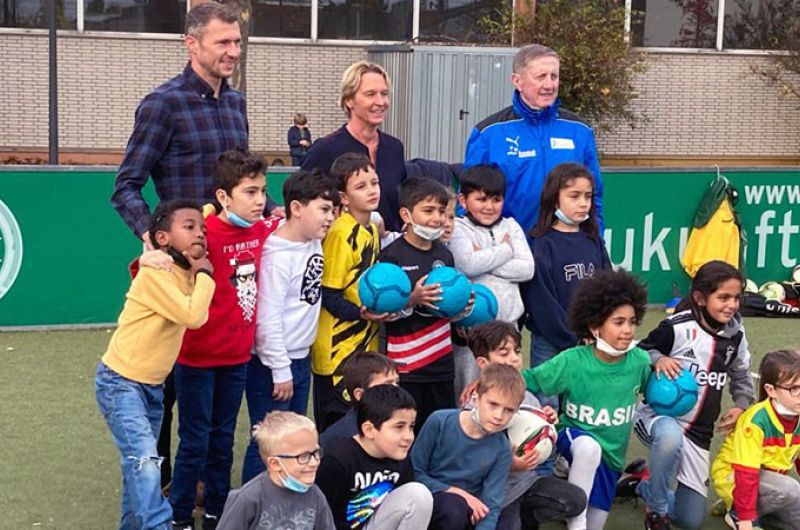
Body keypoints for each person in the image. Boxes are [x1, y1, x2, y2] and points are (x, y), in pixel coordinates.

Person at [111, 2, 257, 491]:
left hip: (227, 268)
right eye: (223, 42)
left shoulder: (236, 103)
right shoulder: (163, 104)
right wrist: (152, 241)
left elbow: (242, 183)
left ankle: (197, 486)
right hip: (178, 272)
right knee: (166, 390)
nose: (233, 51)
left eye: (237, 42)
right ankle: (159, 488)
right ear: (191, 44)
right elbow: (126, 185)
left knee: (210, 393)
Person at [95, 200, 215, 530]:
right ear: (162, 238)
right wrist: (205, 272)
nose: (200, 234)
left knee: (139, 468)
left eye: (202, 230)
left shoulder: (181, 268)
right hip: (121, 383)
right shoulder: (156, 273)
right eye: (189, 228)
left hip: (151, 388)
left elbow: (209, 209)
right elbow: (194, 316)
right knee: (146, 465)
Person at [169, 151, 270, 530]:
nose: (260, 200)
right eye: (250, 192)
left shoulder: (263, 231)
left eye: (262, 190)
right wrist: (153, 259)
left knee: (223, 440)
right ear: (223, 197)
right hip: (196, 359)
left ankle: (216, 513)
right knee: (194, 441)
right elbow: (158, 260)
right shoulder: (203, 233)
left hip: (236, 359)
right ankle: (179, 517)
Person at [624, 260, 755, 530]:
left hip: (699, 432)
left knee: (690, 519)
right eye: (723, 297)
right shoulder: (677, 327)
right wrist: (658, 359)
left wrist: (742, 405)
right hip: (657, 418)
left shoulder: (736, 335)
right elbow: (639, 350)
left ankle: (641, 484)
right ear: (700, 297)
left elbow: (741, 374)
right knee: (670, 440)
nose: (731, 305)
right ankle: (656, 512)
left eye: (736, 298)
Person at [522, 270, 652, 530]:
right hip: (573, 438)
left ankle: (581, 492)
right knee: (587, 449)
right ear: (595, 327)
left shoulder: (640, 361)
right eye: (618, 322)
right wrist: (488, 382)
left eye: (632, 321)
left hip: (611, 459)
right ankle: (568, 488)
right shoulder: (572, 360)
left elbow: (653, 395)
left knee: (596, 524)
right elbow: (528, 381)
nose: (628, 330)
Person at [241, 169, 340, 484]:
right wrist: (280, 368)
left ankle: (283, 500)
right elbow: (267, 317)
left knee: (292, 436)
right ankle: (253, 506)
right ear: (297, 208)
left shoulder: (310, 239)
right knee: (268, 440)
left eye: (333, 211)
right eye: (324, 210)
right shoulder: (277, 256)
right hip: (272, 365)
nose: (330, 219)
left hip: (299, 358)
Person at [463, 44, 604, 235]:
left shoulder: (579, 130)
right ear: (517, 81)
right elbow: (469, 200)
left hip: (565, 249)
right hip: (511, 250)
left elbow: (594, 196)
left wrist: (597, 242)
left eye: (554, 76)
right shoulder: (489, 133)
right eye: (541, 77)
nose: (549, 85)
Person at [463, 321, 587, 530]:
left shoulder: (528, 398)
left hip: (526, 483)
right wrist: (509, 464)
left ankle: (528, 516)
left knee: (575, 499)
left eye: (517, 351)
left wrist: (545, 428)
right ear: (483, 363)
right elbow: (471, 459)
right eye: (503, 353)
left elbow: (544, 453)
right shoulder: (474, 404)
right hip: (492, 491)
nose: (513, 358)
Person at [379, 177, 464, 430]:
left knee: (440, 429)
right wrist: (412, 299)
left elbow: (450, 307)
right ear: (406, 214)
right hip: (406, 365)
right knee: (406, 427)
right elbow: (382, 311)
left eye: (441, 211)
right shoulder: (391, 255)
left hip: (441, 362)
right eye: (428, 211)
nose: (437, 218)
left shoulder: (444, 254)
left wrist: (464, 306)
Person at [523, 163, 610, 406]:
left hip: (589, 343)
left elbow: (608, 290)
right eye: (574, 196)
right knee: (546, 408)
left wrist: (596, 330)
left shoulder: (593, 241)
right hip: (550, 343)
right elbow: (542, 303)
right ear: (554, 199)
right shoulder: (541, 243)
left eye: (588, 196)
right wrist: (574, 335)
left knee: (582, 405)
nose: (583, 203)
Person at [311, 153, 384, 431]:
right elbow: (329, 294)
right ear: (343, 196)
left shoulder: (372, 229)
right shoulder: (340, 233)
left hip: (364, 344)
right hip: (336, 351)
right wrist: (364, 313)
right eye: (361, 186)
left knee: (365, 422)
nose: (372, 190)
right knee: (336, 428)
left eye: (374, 182)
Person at [411, 364, 524, 530]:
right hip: (430, 501)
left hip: (469, 512)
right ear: (476, 398)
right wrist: (456, 492)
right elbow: (414, 472)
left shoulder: (502, 448)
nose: (499, 416)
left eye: (508, 410)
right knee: (453, 508)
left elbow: (490, 504)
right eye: (493, 404)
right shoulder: (439, 421)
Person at [302, 61, 407, 232]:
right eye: (370, 94)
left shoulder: (394, 148)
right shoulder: (325, 149)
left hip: (389, 253)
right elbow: (305, 203)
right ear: (349, 100)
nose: (380, 102)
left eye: (384, 93)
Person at [316, 384, 434, 530]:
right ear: (369, 430)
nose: (408, 436)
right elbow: (317, 511)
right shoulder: (338, 459)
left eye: (411, 427)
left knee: (418, 494)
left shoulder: (400, 457)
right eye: (399, 427)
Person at [710, 349, 800, 530]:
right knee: (790, 490)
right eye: (794, 389)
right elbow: (746, 472)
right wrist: (745, 520)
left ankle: (741, 506)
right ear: (771, 390)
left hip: (769, 483)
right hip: (735, 477)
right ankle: (738, 510)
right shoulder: (756, 421)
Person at [217, 412, 335, 530]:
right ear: (275, 463)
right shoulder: (248, 498)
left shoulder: (315, 495)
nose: (314, 462)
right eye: (303, 457)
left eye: (316, 453)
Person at [320, 351, 400, 453]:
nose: (396, 390)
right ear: (360, 395)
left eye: (397, 382)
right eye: (387, 385)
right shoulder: (345, 438)